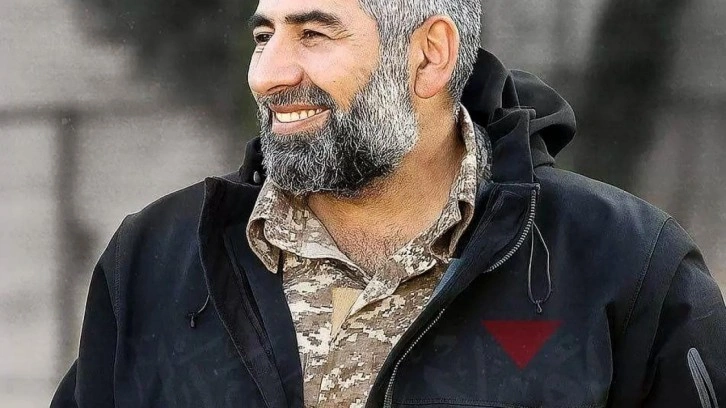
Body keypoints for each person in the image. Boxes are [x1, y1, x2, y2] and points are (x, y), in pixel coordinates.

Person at [51, 0, 726, 406]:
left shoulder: (627, 264)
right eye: (264, 35)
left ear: (429, 56)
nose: (268, 74)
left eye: (313, 34)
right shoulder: (154, 260)